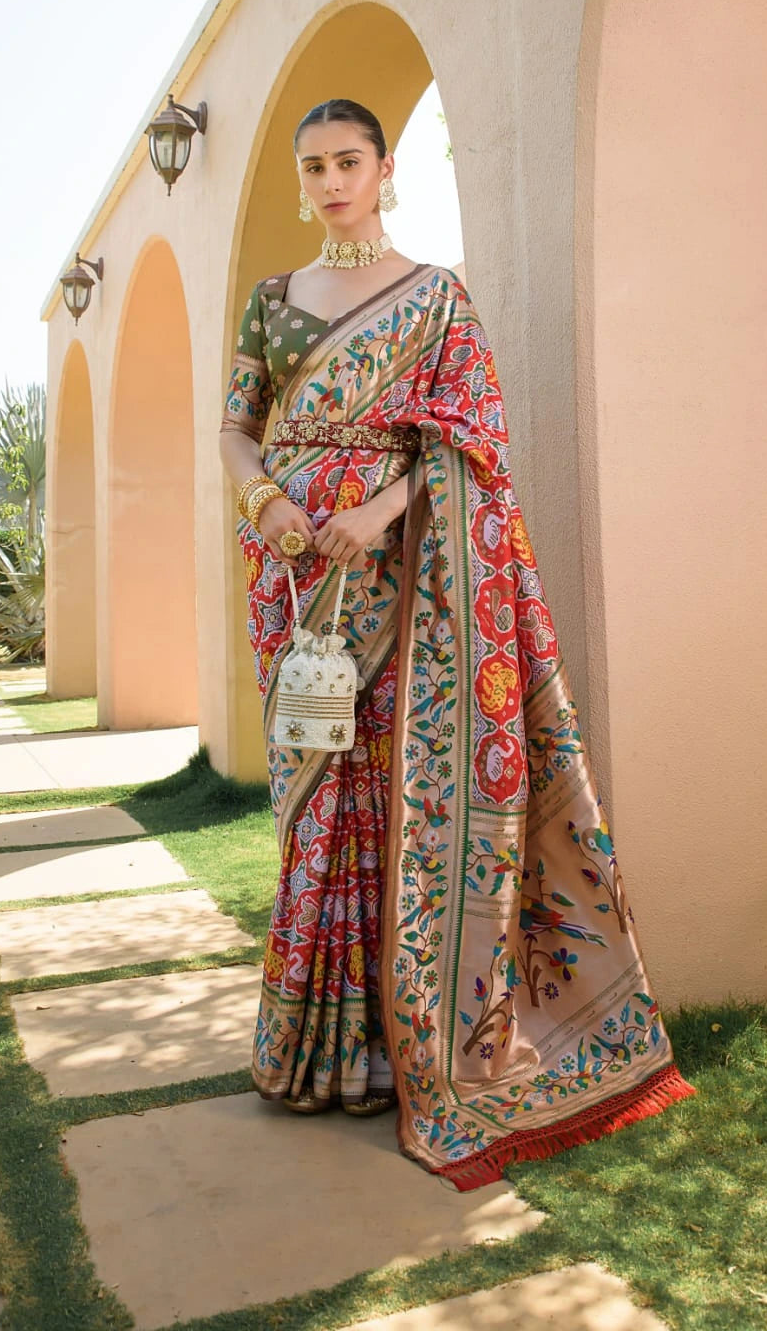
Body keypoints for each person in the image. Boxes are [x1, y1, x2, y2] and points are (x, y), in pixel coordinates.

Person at [218, 97, 695, 1189]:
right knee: (318, 796)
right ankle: (320, 1051)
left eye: (348, 160)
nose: (331, 179)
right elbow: (235, 427)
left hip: (410, 574)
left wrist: (377, 514)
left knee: (403, 797)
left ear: (384, 168)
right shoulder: (273, 302)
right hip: (296, 579)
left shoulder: (434, 299)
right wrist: (269, 509)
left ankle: (412, 1045)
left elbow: (473, 437)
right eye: (314, 165)